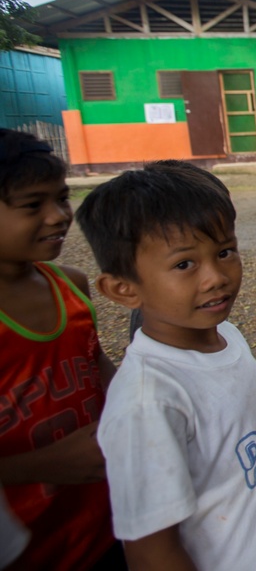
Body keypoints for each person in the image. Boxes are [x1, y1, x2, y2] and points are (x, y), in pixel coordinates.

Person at [75, 161, 256, 571]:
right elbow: (151, 552)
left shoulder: (226, 335)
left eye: (224, 252)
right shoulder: (148, 402)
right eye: (184, 264)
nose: (216, 277)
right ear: (122, 289)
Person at [0, 128, 122, 571]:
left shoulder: (71, 285)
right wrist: (39, 465)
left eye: (62, 198)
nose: (58, 216)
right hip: (28, 549)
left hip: (105, 525)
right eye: (33, 205)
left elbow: (94, 363)